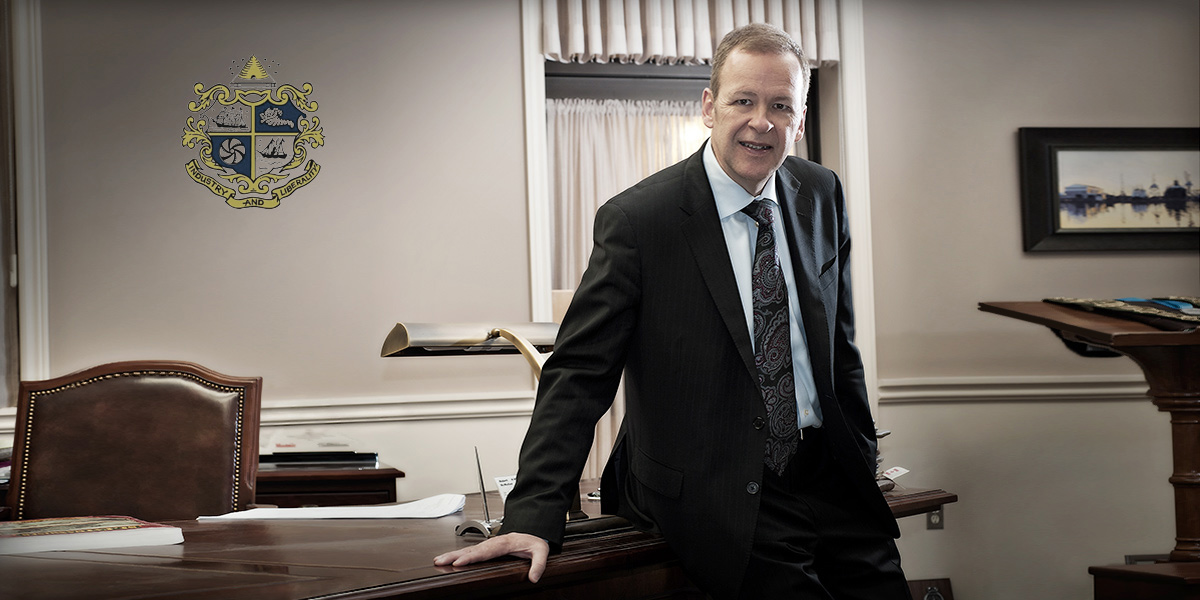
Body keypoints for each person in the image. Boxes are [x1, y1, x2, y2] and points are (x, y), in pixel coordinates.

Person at [435, 23, 911, 600]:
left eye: (781, 105)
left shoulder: (820, 192)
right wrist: (533, 513)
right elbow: (580, 372)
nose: (762, 121)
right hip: (720, 485)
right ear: (710, 106)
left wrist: (864, 453)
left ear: (801, 120)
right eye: (744, 100)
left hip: (830, 475)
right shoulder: (640, 221)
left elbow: (839, 343)